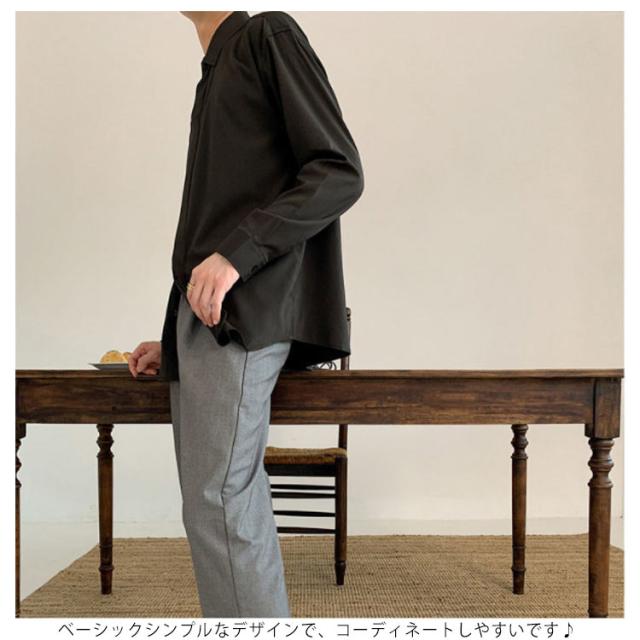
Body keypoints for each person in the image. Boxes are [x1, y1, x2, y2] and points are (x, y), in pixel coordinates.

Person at [128, 10, 364, 618]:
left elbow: (338, 170)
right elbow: (210, 224)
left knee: (221, 500)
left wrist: (238, 254)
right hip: (205, 319)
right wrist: (173, 339)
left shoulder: (268, 35)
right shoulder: (214, 73)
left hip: (243, 311)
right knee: (211, 506)